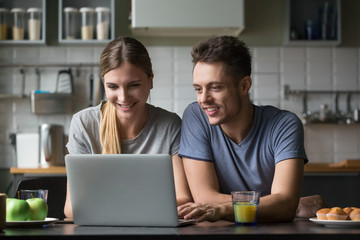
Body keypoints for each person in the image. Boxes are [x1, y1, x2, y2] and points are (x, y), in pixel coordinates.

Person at [177, 36, 326, 223]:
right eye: (198, 89)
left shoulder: (285, 125)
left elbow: (285, 204)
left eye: (215, 88)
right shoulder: (195, 116)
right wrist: (275, 205)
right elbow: (205, 199)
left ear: (244, 85)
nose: (204, 99)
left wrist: (285, 205)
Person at [64, 37, 192, 219]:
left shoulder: (170, 125)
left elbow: (183, 199)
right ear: (104, 84)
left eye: (133, 85)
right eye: (113, 87)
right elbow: (71, 208)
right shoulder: (84, 124)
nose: (123, 97)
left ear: (151, 80)